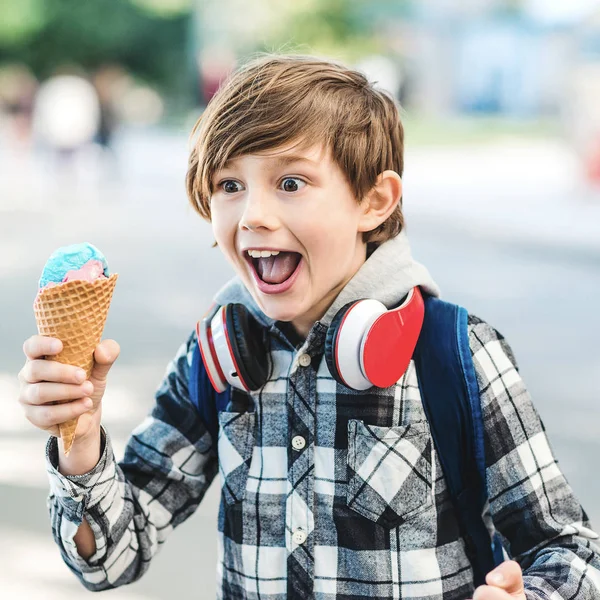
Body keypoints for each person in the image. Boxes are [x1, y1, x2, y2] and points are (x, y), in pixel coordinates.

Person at [18, 55, 600, 599]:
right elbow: (110, 558)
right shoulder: (214, 357)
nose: (253, 216)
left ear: (374, 201)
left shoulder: (456, 354)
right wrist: (81, 440)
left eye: (290, 183)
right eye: (229, 185)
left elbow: (570, 553)